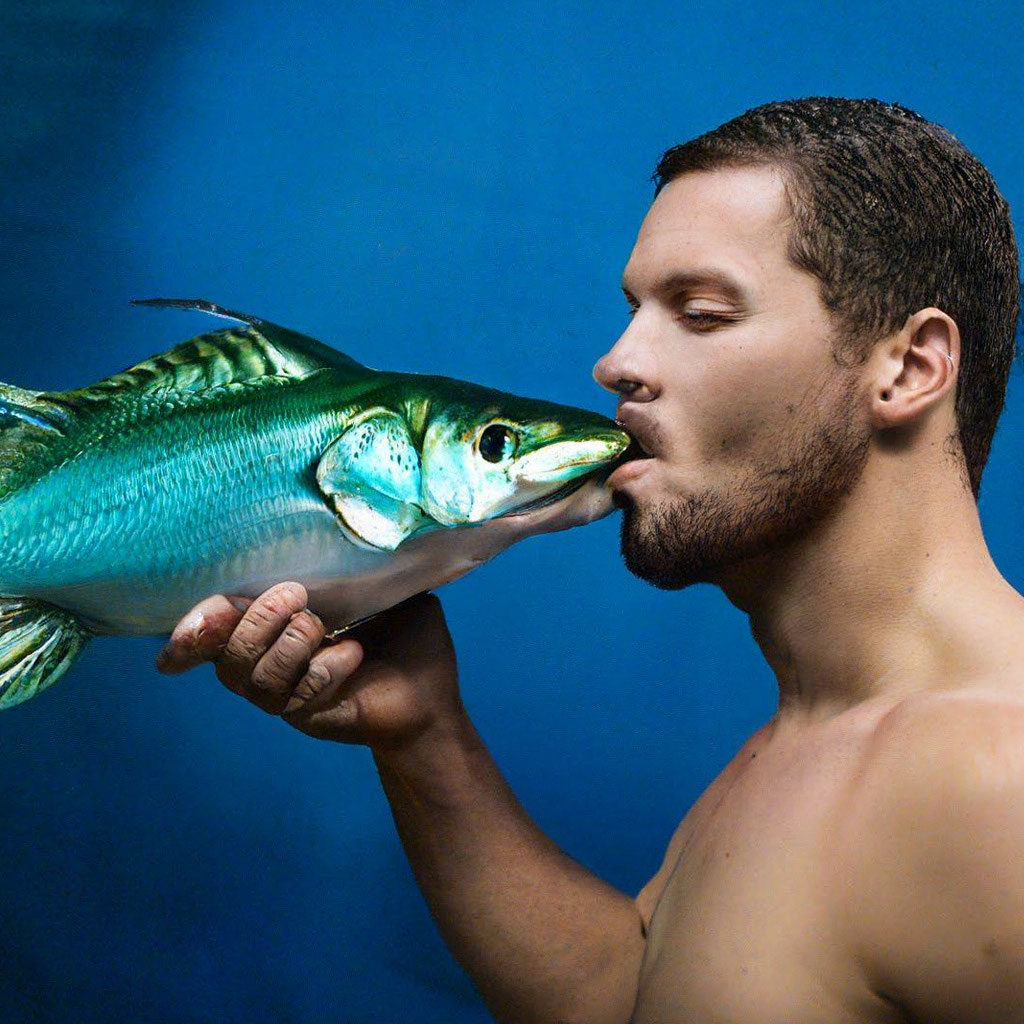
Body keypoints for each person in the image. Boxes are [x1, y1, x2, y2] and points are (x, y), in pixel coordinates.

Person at [157, 98, 1024, 1023]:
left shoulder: (993, 785)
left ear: (910, 368)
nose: (614, 364)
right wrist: (423, 735)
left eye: (700, 312)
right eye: (632, 311)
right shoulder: (815, 738)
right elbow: (635, 997)